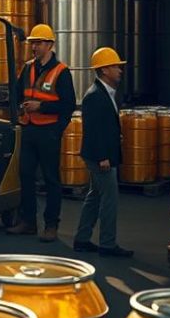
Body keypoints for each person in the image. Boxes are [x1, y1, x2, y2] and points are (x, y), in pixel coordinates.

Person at [8, 23, 76, 242]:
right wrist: (20, 109)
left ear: (49, 45)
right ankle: (28, 221)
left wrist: (43, 109)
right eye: (32, 43)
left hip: (48, 132)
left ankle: (51, 225)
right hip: (29, 129)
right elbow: (17, 93)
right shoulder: (28, 68)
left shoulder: (61, 72)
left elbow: (68, 105)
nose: (34, 47)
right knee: (26, 175)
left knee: (51, 179)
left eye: (38, 43)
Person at [74, 46, 133, 257]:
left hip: (102, 156)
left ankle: (82, 239)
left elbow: (105, 126)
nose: (120, 70)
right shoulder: (95, 96)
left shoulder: (106, 93)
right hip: (100, 158)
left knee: (95, 196)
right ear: (105, 70)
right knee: (110, 200)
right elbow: (93, 130)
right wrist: (103, 157)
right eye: (116, 66)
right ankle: (108, 244)